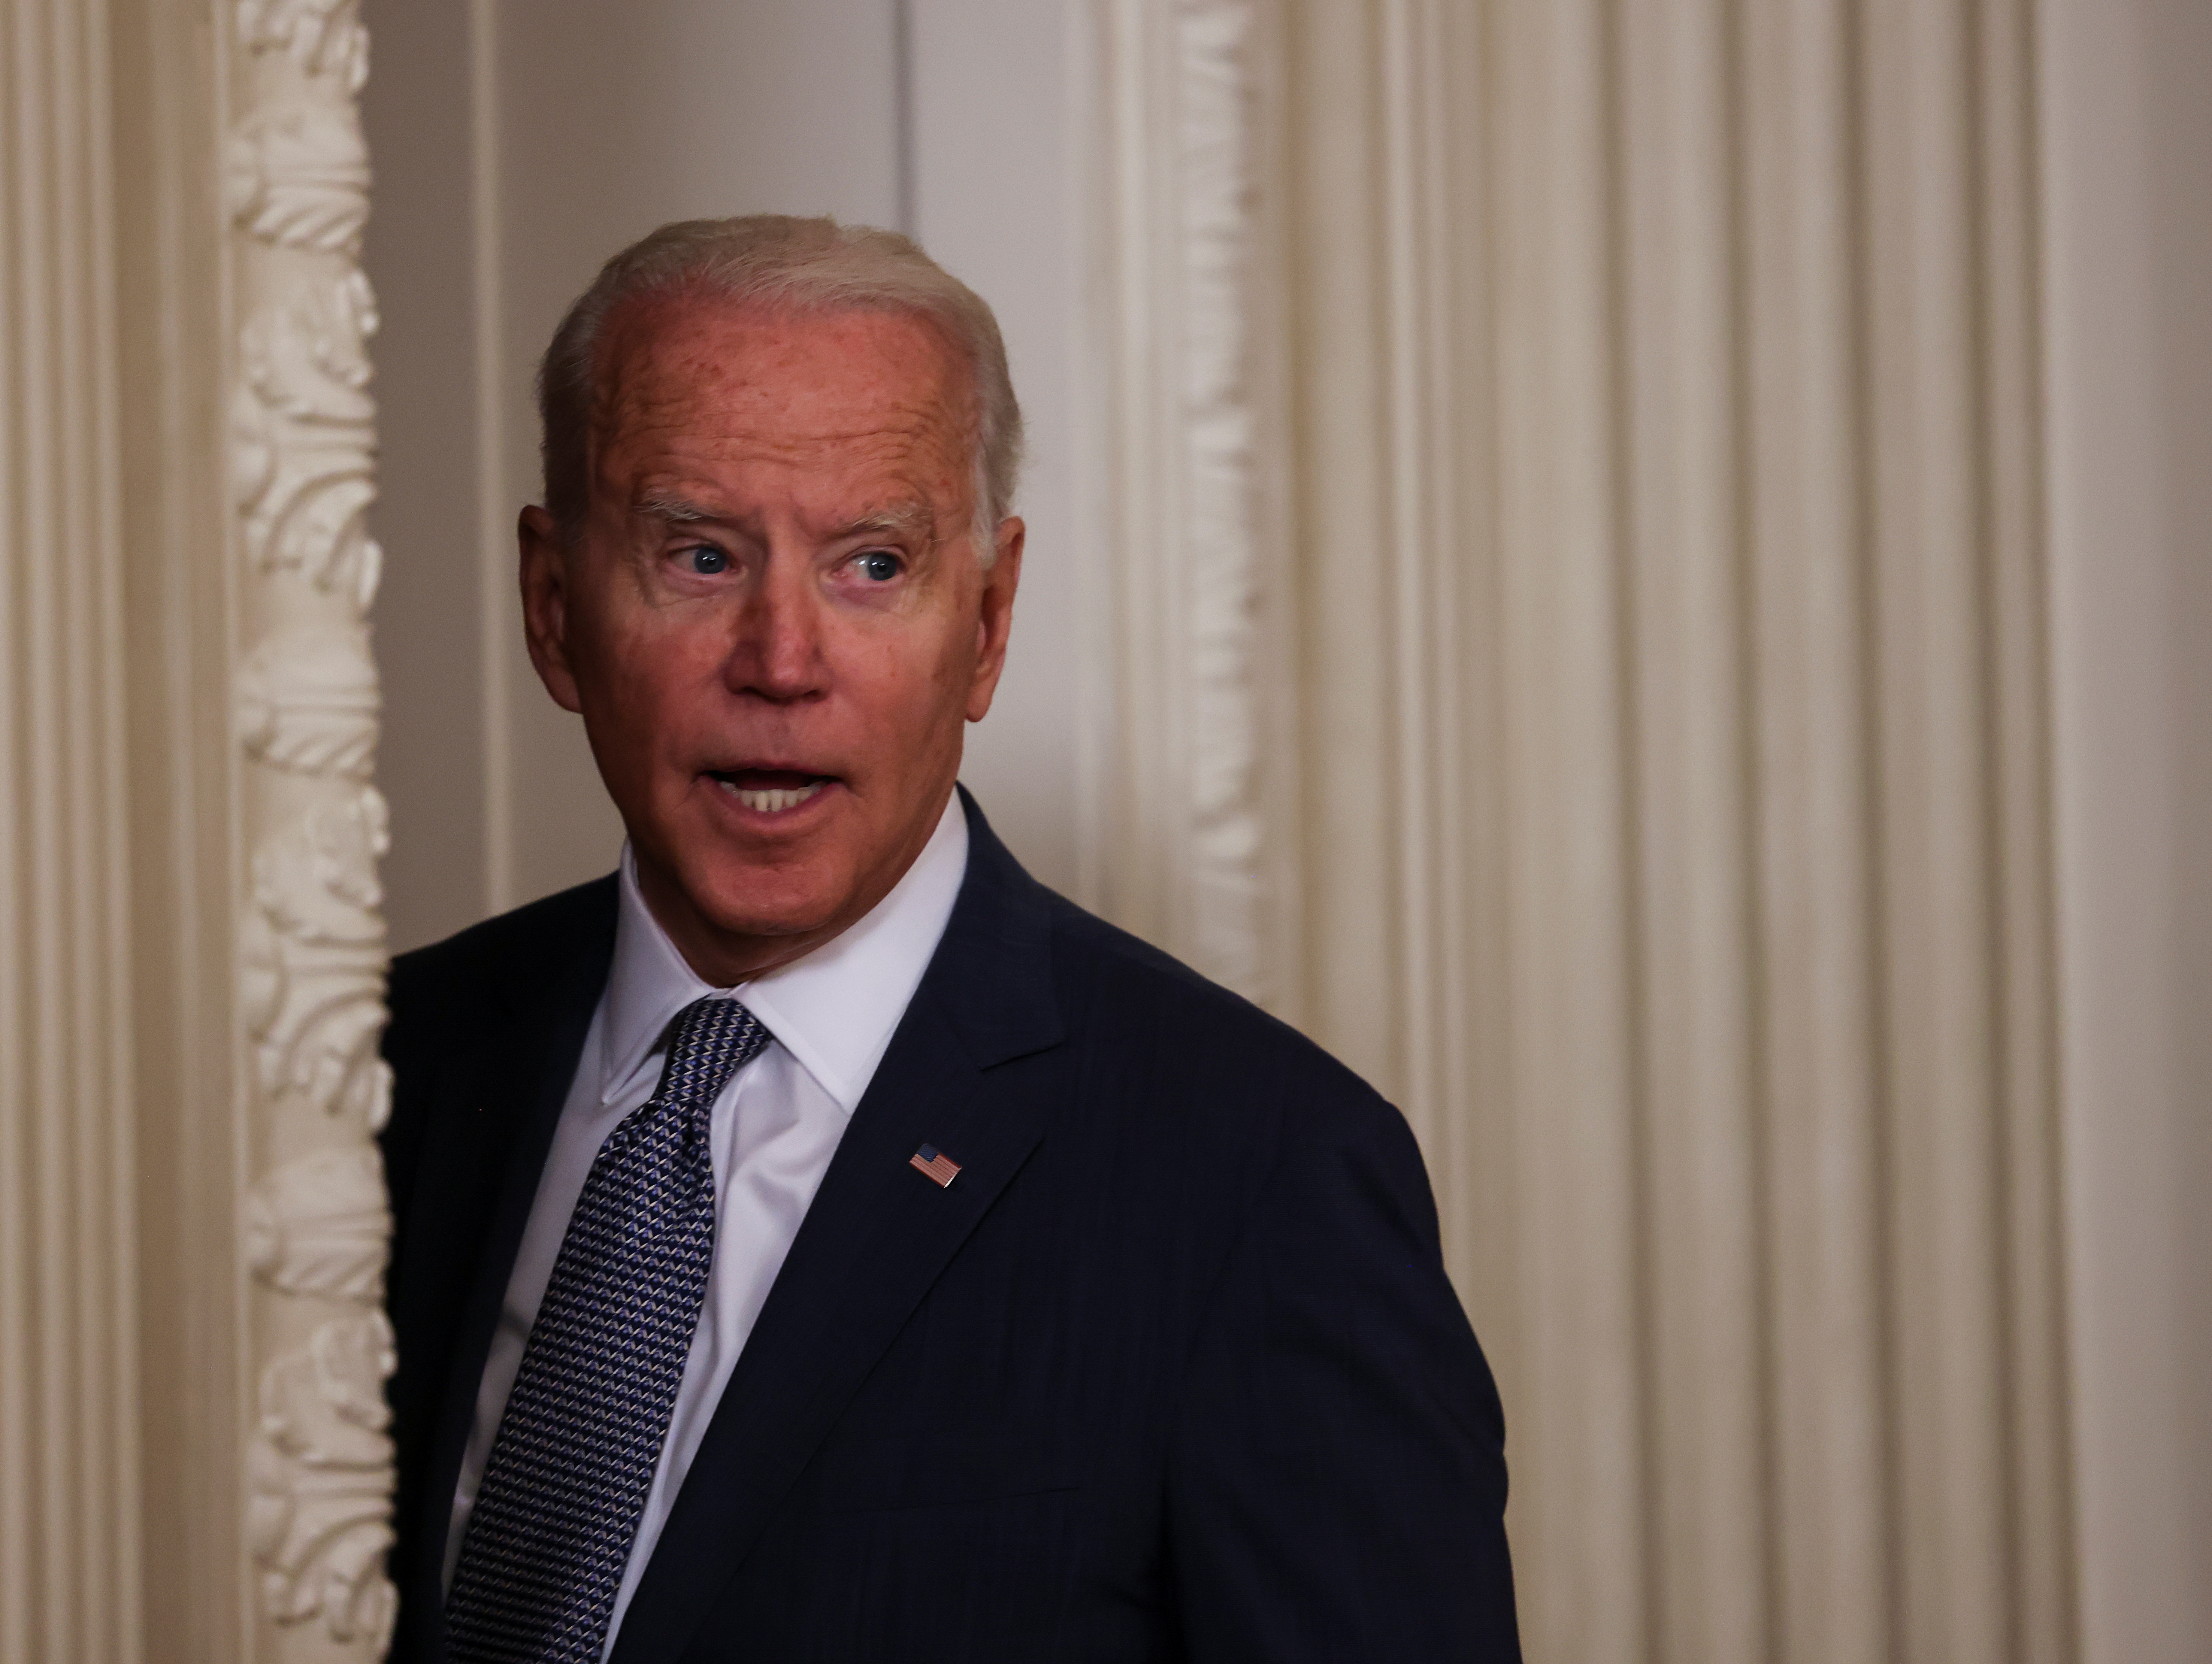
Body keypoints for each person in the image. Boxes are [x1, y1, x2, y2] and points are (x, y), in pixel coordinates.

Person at [380, 215, 1519, 1664]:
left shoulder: (1256, 1174)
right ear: (555, 610)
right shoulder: (384, 1068)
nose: (782, 662)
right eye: (700, 554)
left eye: (870, 565)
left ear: (984, 623)